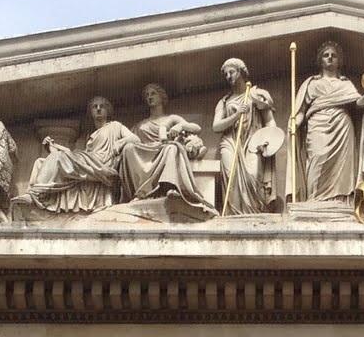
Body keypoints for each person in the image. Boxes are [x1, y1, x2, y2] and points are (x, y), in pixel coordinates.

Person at [24, 96, 133, 215]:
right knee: (41, 162)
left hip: (102, 163)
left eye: (102, 106)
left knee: (58, 157)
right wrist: (53, 147)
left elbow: (135, 139)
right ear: (90, 112)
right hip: (89, 161)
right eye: (95, 106)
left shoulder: (115, 126)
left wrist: (120, 142)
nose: (98, 109)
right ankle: (35, 197)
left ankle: (35, 194)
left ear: (108, 110)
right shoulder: (91, 136)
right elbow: (75, 157)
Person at [121, 83, 216, 218]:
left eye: (153, 93)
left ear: (162, 97)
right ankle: (141, 192)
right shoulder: (141, 124)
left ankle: (170, 187)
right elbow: (131, 138)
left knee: (172, 147)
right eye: (147, 95)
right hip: (146, 153)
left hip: (163, 150)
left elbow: (197, 128)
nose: (150, 97)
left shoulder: (171, 118)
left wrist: (181, 126)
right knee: (128, 149)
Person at [290, 39, 364, 202]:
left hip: (342, 126)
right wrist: (295, 123)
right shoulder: (311, 83)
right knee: (317, 159)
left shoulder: (345, 84)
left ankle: (339, 201)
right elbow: (301, 110)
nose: (330, 57)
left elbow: (358, 104)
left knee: (342, 168)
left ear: (339, 61)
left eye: (334, 55)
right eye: (326, 55)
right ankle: (314, 199)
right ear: (320, 60)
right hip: (317, 124)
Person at [212, 58, 282, 216]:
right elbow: (216, 126)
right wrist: (236, 115)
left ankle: (253, 213)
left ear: (241, 72)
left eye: (231, 72)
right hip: (230, 142)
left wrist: (269, 140)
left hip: (253, 141)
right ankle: (233, 214)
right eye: (226, 74)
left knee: (252, 174)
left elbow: (269, 120)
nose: (228, 76)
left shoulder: (257, 94)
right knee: (231, 175)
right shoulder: (224, 102)